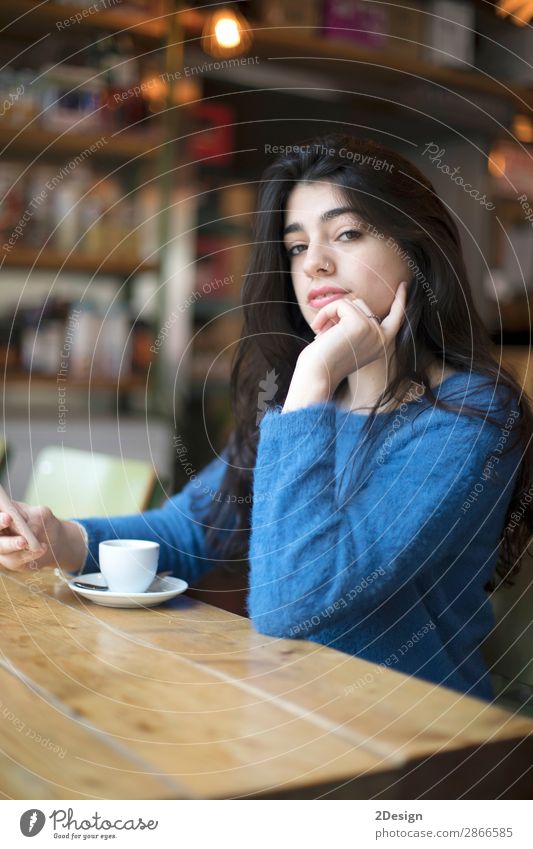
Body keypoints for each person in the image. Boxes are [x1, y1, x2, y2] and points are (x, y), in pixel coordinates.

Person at [1, 134, 532, 702]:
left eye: (347, 233)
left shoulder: (470, 416)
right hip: (285, 709)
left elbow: (290, 602)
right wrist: (62, 537)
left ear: (416, 250)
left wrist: (312, 379)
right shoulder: (307, 403)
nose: (315, 264)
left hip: (417, 742)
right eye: (297, 247)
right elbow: (190, 529)